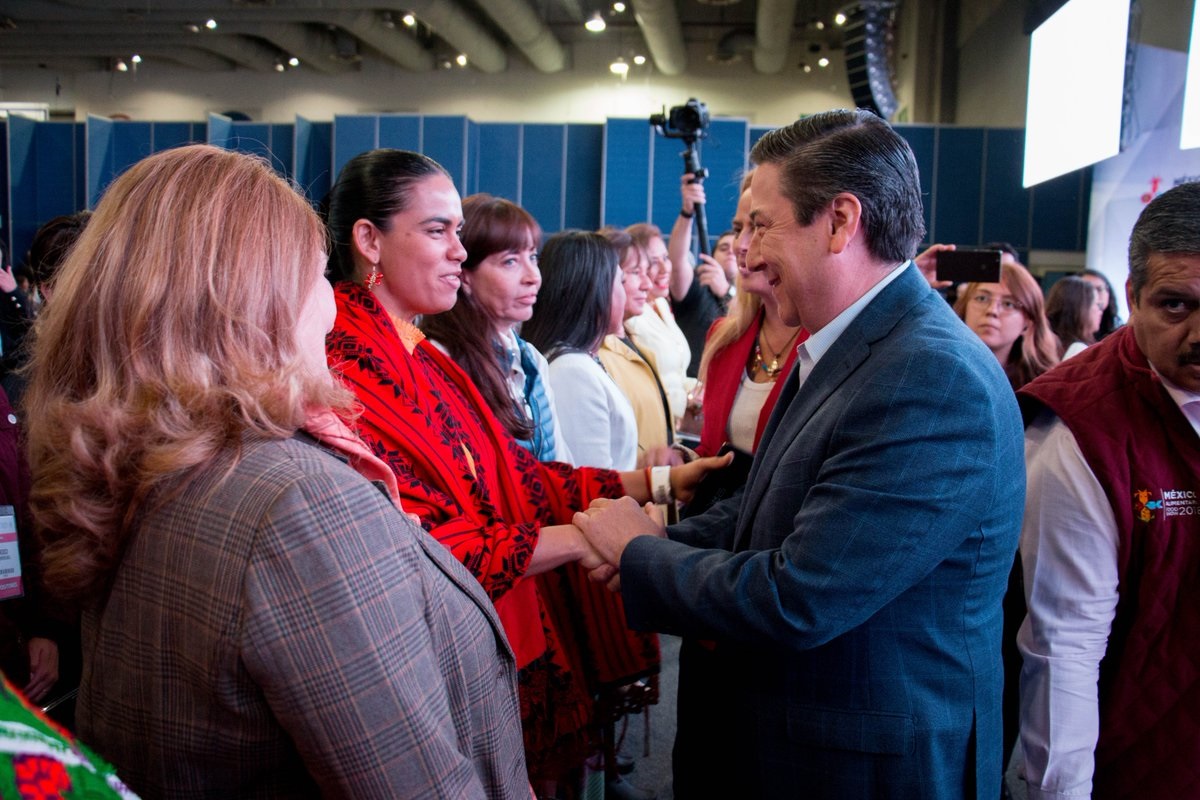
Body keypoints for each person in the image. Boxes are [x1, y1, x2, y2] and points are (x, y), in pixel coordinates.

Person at [23, 144, 530, 799]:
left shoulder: (151, 464)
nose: (331, 304)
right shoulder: (298, 504)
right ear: (249, 305)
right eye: (318, 275)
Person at [574, 109, 1025, 799]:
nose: (745, 257)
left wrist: (640, 554)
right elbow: (765, 511)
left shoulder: (929, 376)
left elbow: (801, 597)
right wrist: (658, 537)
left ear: (841, 222)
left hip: (858, 766)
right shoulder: (844, 343)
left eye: (760, 225)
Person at [322, 149, 728, 794]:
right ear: (368, 239)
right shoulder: (350, 365)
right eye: (437, 231)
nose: (458, 250)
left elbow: (515, 475)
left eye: (459, 231)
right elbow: (422, 544)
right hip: (438, 655)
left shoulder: (417, 352)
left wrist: (652, 485)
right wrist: (598, 536)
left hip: (489, 625)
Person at [1016, 181, 1200, 800]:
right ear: (1132, 297)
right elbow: (1062, 649)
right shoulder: (1079, 428)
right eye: (1177, 306)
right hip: (1137, 758)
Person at [420, 193, 570, 462]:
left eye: (533, 257)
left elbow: (560, 465)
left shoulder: (531, 359)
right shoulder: (440, 363)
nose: (533, 277)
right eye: (510, 261)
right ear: (464, 276)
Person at [522, 230, 637, 470]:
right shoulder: (572, 373)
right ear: (596, 291)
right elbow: (593, 486)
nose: (625, 294)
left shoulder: (581, 361)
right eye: (621, 282)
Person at [597, 228, 679, 467]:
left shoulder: (634, 343)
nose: (647, 284)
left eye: (646, 272)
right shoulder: (596, 356)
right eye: (634, 273)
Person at [666, 175, 735, 377]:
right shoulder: (696, 289)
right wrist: (687, 212)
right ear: (711, 257)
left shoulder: (752, 297)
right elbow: (677, 261)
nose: (730, 251)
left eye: (735, 247)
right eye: (723, 248)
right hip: (692, 389)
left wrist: (725, 291)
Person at [954, 261, 1060, 391]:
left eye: (1008, 304)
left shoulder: (1043, 387)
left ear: (1028, 323)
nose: (992, 310)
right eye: (982, 298)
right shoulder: (939, 368)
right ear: (964, 308)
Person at [625, 223, 693, 422]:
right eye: (653, 262)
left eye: (665, 258)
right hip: (654, 424)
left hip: (677, 425)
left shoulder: (661, 304)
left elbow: (676, 373)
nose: (664, 268)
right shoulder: (631, 315)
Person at [1045, 275, 1100, 359]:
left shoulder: (1041, 342)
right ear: (1083, 309)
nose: (1100, 311)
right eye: (1097, 304)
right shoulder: (1078, 350)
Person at [1080, 267, 1122, 339]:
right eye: (1088, 290)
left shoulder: (1119, 330)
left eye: (1099, 289)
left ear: (1108, 293)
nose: (1094, 295)